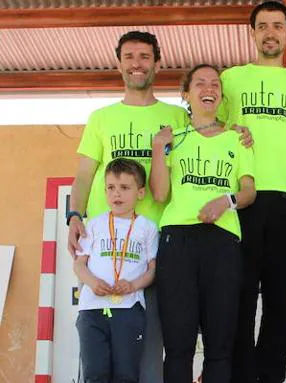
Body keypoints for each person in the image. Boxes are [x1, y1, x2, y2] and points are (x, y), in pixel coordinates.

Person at [68, 30, 189, 383]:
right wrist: (74, 216)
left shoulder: (176, 118)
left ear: (157, 63)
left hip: (155, 245)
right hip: (104, 251)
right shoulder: (101, 118)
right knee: (96, 361)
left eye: (144, 57)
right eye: (130, 57)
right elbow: (84, 176)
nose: (137, 64)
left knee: (148, 352)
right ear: (119, 64)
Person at [217, 2, 286, 382]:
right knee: (241, 299)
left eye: (278, 25)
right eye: (263, 26)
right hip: (242, 200)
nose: (271, 32)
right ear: (253, 33)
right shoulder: (230, 79)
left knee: (280, 301)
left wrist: (285, 162)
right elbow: (214, 129)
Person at [150, 64, 256, 383]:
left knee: (220, 345)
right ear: (186, 94)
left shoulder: (239, 139)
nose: (208, 88)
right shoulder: (173, 138)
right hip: (177, 242)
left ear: (221, 96)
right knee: (179, 345)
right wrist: (158, 149)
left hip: (223, 244)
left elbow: (249, 191)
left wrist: (226, 201)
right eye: (200, 83)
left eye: (215, 84)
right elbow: (158, 193)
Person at [74, 158, 158, 383]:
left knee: (126, 375)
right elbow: (79, 264)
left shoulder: (148, 228)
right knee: (95, 374)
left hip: (128, 309)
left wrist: (133, 285)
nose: (116, 194)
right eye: (111, 188)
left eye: (124, 187)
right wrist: (91, 282)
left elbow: (152, 269)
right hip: (92, 310)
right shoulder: (93, 224)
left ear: (140, 193)